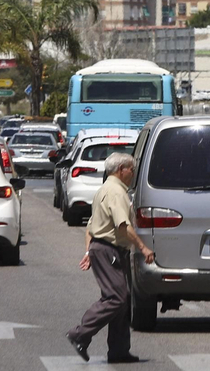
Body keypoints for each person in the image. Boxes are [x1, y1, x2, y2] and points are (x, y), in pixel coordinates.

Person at [67, 153, 155, 364]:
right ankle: (80, 333)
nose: (133, 173)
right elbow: (123, 226)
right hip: (109, 250)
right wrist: (143, 248)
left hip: (105, 249)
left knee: (121, 302)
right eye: (131, 169)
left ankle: (118, 351)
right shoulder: (116, 192)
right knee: (117, 297)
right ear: (121, 169)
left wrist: (89, 252)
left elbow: (91, 226)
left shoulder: (105, 189)